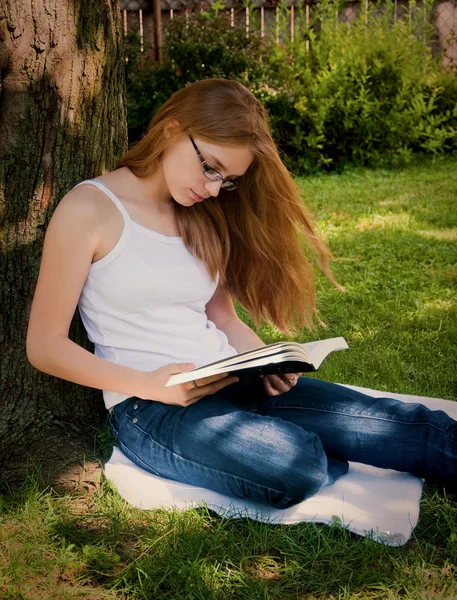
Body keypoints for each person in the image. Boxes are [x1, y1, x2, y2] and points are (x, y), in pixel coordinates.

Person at [26, 78, 456, 507]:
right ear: (172, 130)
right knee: (294, 465)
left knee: (397, 424)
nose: (214, 188)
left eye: (226, 179)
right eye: (210, 167)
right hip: (151, 409)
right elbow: (44, 346)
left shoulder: (198, 213)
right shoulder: (89, 209)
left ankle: (317, 439)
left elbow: (223, 317)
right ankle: (311, 450)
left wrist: (267, 361)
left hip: (231, 376)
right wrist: (151, 385)